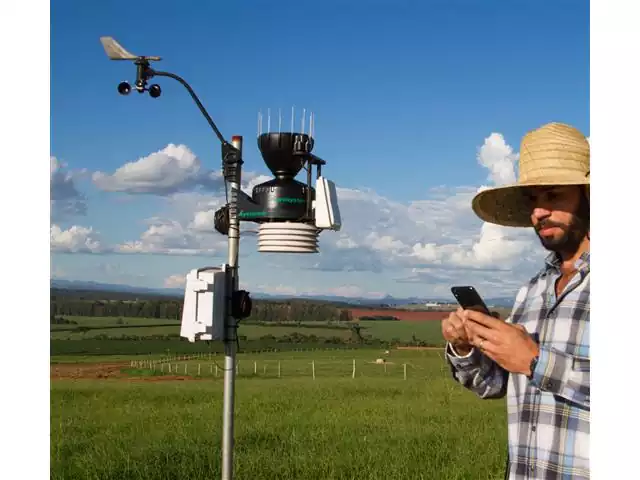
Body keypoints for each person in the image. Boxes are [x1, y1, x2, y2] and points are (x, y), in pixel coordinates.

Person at [442, 122, 590, 479]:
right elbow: (498, 384)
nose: (538, 212)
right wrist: (467, 348)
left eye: (553, 195)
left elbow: (531, 365)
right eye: (532, 200)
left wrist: (537, 361)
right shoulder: (531, 291)